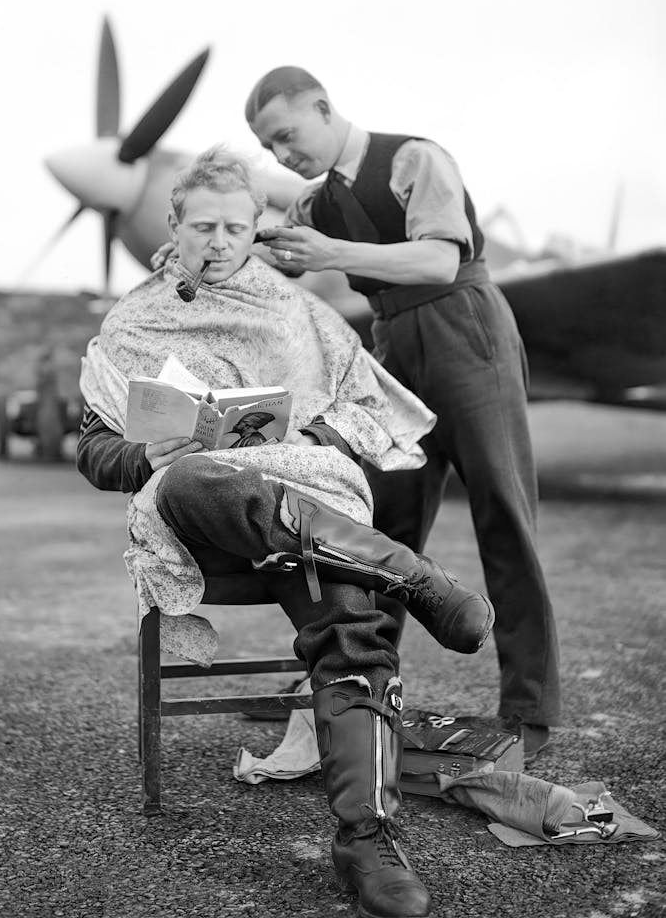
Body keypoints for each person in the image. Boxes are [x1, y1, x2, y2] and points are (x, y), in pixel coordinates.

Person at [77, 147, 495, 918]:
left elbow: (369, 413)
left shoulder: (298, 310)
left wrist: (313, 442)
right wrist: (147, 454)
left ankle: (366, 839)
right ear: (175, 224)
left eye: (236, 227)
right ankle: (408, 573)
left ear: (254, 228)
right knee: (202, 476)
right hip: (197, 521)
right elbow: (94, 450)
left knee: (352, 619)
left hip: (305, 514)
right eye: (203, 226)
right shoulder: (132, 321)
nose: (220, 240)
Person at [244, 67, 561, 762]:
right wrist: (202, 249)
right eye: (270, 148)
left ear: (323, 109)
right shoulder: (315, 202)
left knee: (503, 516)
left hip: (464, 332)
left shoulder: (415, 158)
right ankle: (359, 693)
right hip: (389, 347)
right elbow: (269, 252)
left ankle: (529, 711)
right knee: (379, 533)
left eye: (288, 136)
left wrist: (335, 255)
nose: (283, 156)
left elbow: (440, 261)